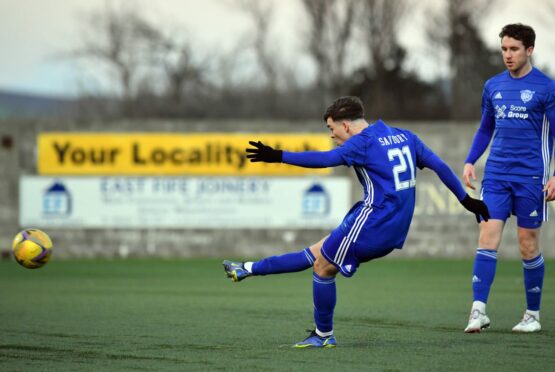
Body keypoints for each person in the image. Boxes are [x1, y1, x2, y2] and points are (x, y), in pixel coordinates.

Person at [223, 96, 490, 348]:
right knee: (315, 253)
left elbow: (325, 159)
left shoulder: (361, 142)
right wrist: (466, 200)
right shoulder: (404, 136)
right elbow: (440, 166)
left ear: (346, 125)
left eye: (331, 128)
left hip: (373, 221)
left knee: (323, 267)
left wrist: (278, 156)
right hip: (393, 224)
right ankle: (248, 268)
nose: (331, 135)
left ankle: (323, 335)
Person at [462, 23, 555, 333]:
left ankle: (532, 315)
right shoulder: (493, 86)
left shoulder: (546, 88)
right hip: (497, 175)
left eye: (514, 49)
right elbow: (486, 128)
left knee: (528, 245)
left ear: (529, 50)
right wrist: (470, 160)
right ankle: (478, 311)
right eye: (504, 49)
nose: (508, 55)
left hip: (531, 177)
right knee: (487, 237)